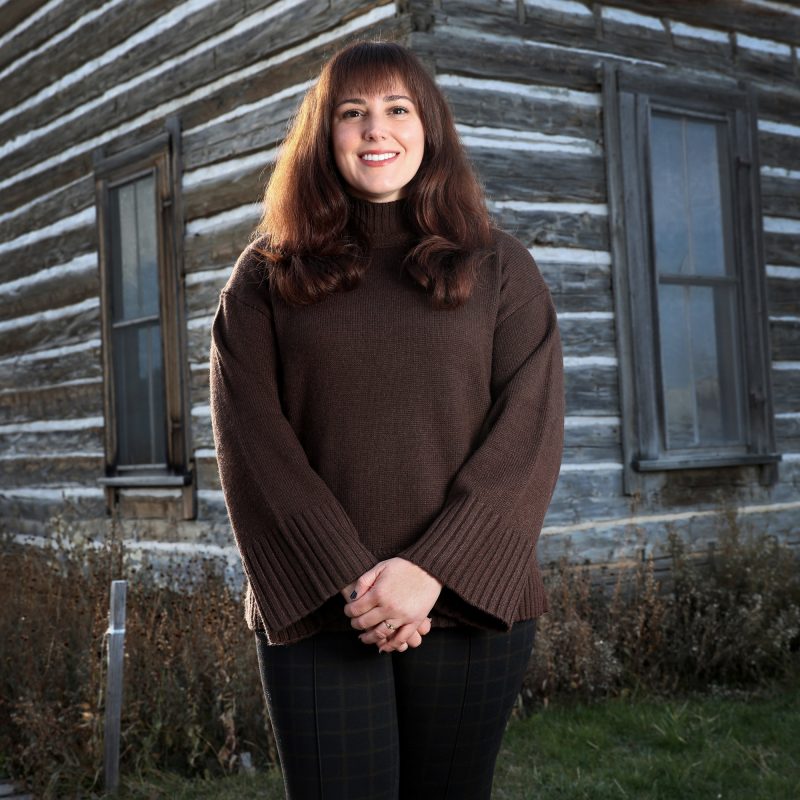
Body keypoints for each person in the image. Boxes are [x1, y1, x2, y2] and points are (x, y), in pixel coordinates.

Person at [209, 39, 564, 800]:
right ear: (324, 136)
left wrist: (430, 570)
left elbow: (527, 435)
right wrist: (358, 587)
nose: (377, 130)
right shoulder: (266, 279)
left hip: (466, 605)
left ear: (428, 126)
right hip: (320, 610)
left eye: (397, 109)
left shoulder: (501, 268)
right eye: (352, 113)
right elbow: (252, 446)